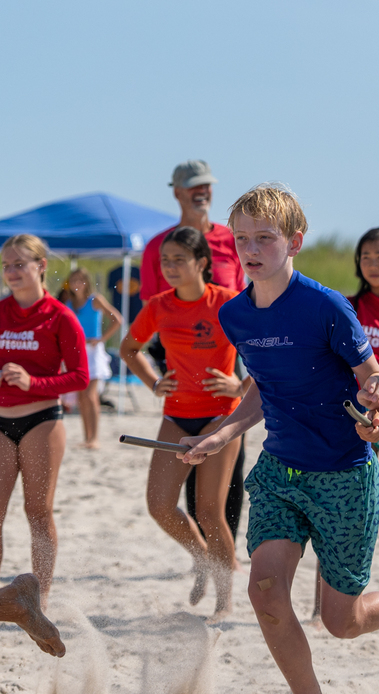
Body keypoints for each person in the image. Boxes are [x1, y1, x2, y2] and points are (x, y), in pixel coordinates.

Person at [181, 184, 379, 694]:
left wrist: (376, 392)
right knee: (265, 590)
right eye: (242, 239)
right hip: (279, 472)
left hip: (344, 474)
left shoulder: (327, 306)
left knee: (343, 621)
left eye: (265, 238)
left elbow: (371, 375)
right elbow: (261, 387)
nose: (251, 249)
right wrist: (222, 434)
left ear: (294, 241)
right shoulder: (236, 315)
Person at [120, 226, 245, 619]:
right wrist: (153, 381)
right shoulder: (160, 305)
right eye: (165, 261)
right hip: (176, 414)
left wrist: (240, 385)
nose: (170, 267)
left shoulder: (228, 302)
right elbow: (129, 348)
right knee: (159, 506)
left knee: (210, 512)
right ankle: (203, 557)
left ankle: (224, 602)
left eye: (179, 259)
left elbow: (269, 349)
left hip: (221, 416)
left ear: (201, 262)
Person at [308, 228, 379, 626]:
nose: (371, 263)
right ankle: (320, 606)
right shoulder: (347, 307)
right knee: (335, 516)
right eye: (365, 256)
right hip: (352, 422)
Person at [0, 234, 90, 599]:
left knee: (37, 511)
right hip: (1, 421)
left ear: (41, 266)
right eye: (6, 265)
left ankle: (41, 600)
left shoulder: (60, 315)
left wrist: (32, 382)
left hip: (42, 420)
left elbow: (80, 377)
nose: (11, 272)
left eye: (19, 264)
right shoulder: (1, 311)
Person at [140, 160, 245, 298]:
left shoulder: (233, 240)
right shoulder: (157, 246)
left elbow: (242, 297)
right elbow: (149, 305)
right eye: (194, 185)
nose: (202, 190)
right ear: (177, 193)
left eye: (206, 185)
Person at [56, 269, 121, 449]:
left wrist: (102, 339)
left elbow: (117, 320)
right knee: (81, 397)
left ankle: (95, 438)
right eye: (73, 280)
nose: (76, 284)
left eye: (80, 280)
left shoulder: (95, 300)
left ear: (86, 282)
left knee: (91, 396)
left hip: (93, 352)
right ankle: (87, 438)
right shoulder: (68, 302)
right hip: (75, 351)